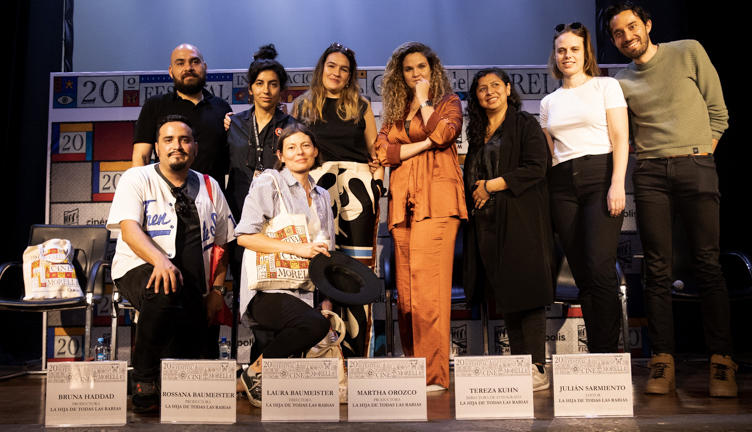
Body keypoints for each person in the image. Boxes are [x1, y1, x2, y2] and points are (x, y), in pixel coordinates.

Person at [606, 1, 736, 397]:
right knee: (657, 269)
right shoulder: (621, 81)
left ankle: (722, 361)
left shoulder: (688, 50)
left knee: (707, 264)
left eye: (632, 27)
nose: (627, 37)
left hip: (696, 163)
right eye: (617, 33)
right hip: (649, 174)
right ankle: (662, 359)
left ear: (647, 24)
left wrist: (702, 152)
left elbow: (719, 111)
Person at [107, 115, 235, 413]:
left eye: (184, 140)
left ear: (195, 148)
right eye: (168, 140)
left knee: (191, 368)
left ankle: (162, 380)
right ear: (156, 148)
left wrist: (217, 289)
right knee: (164, 288)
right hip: (137, 269)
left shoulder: (209, 185)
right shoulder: (137, 177)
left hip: (191, 283)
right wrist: (160, 261)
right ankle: (143, 376)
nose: (177, 146)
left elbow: (223, 242)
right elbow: (129, 230)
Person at [375, 41, 466, 391]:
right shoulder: (396, 110)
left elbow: (444, 133)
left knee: (430, 292)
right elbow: (383, 151)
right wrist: (425, 143)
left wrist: (427, 102)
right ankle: (416, 367)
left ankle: (435, 375)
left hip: (437, 202)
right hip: (402, 206)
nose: (416, 74)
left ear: (433, 71)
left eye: (421, 68)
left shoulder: (447, 102)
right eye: (409, 69)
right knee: (408, 295)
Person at [463, 68, 554, 391]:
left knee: (527, 295)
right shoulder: (477, 132)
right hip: (487, 225)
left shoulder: (524, 123)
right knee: (508, 296)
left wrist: (490, 185)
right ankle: (521, 364)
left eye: (495, 86)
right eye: (482, 88)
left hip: (520, 220)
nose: (489, 92)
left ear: (508, 89)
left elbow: (536, 167)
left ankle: (537, 367)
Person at [540, 23, 629, 354]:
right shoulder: (549, 101)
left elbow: (621, 138)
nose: (567, 56)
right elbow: (550, 155)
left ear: (585, 53)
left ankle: (607, 355)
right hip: (561, 185)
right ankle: (596, 355)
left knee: (599, 267)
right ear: (555, 55)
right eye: (561, 50)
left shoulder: (606, 86)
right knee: (583, 274)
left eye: (574, 49)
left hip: (600, 176)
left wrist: (617, 182)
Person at [291, 42, 383, 358]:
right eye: (332, 66)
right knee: (318, 266)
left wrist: (379, 184)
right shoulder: (302, 106)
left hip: (358, 189)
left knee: (356, 270)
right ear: (322, 68)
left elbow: (377, 155)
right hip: (316, 189)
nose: (337, 73)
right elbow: (294, 152)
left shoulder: (362, 105)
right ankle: (319, 353)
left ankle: (356, 355)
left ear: (350, 76)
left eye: (344, 69)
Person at [235, 123, 333, 407]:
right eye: (291, 147)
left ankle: (248, 381)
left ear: (315, 151)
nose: (299, 152)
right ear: (280, 155)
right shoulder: (269, 182)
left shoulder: (322, 195)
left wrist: (325, 300)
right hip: (267, 290)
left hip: (304, 289)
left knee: (314, 328)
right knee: (311, 326)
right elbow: (244, 237)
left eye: (305, 146)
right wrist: (297, 249)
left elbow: (326, 250)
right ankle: (253, 373)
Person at [132, 43, 233, 187]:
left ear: (205, 67)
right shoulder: (155, 105)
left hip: (212, 201)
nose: (188, 68)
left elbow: (232, 161)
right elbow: (141, 156)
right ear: (171, 71)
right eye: (180, 63)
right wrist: (139, 197)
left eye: (195, 62)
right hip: (166, 200)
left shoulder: (222, 107)